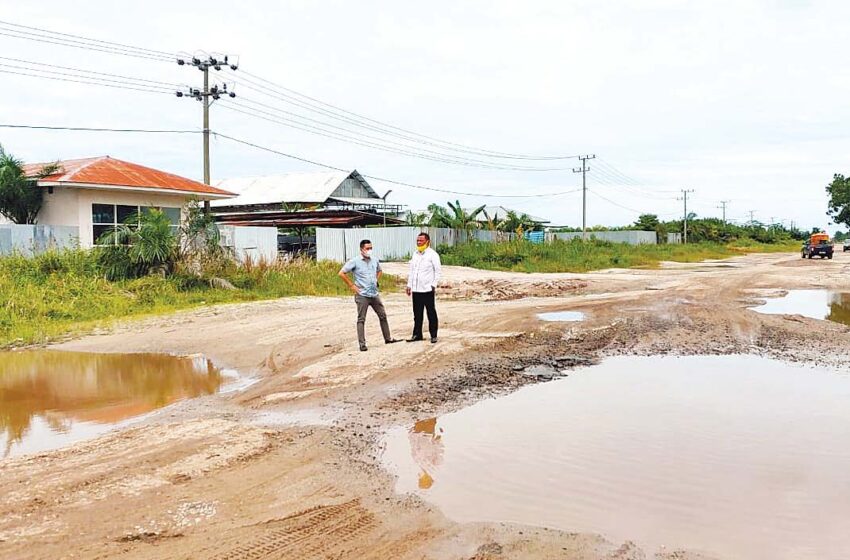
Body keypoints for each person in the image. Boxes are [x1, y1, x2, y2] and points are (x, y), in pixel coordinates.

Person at [338, 239, 399, 351]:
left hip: (374, 293)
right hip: (362, 295)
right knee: (361, 319)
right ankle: (362, 344)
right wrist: (352, 286)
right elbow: (341, 273)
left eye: (371, 248)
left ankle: (388, 338)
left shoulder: (374, 260)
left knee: (382, 315)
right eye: (367, 248)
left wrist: (376, 279)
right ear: (361, 249)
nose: (369, 250)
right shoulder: (355, 261)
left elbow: (379, 270)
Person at [406, 232, 442, 343]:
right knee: (417, 313)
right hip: (416, 289)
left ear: (427, 242)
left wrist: (433, 284)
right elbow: (412, 271)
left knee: (430, 312)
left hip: (427, 289)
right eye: (417, 241)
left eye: (421, 241)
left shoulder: (432, 255)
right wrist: (409, 285)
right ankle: (417, 334)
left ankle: (433, 335)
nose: (418, 242)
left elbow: (438, 271)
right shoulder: (415, 254)